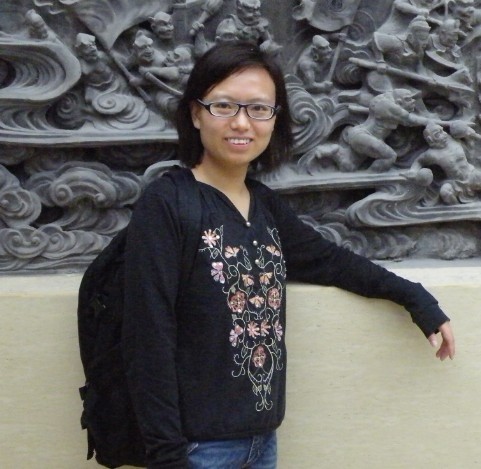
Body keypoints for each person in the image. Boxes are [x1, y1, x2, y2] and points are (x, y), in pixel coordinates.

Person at [122, 41, 455, 469]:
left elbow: (332, 261)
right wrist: (168, 458)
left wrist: (415, 298)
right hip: (196, 451)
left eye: (259, 109)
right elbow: (147, 338)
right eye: (224, 105)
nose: (242, 122)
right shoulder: (168, 203)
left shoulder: (263, 206)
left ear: (274, 119)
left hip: (262, 443)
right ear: (196, 114)